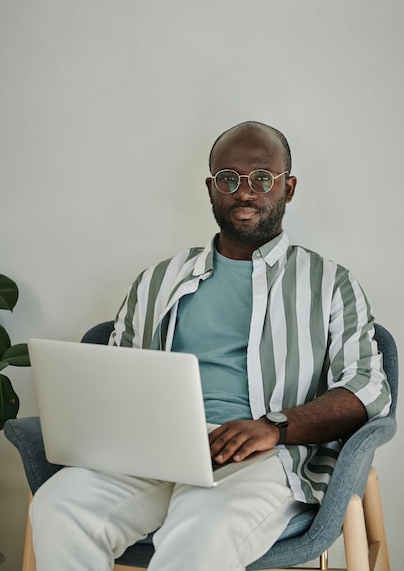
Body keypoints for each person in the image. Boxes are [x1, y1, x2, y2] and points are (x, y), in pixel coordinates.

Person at [30, 120, 391, 571]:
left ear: (289, 187)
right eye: (228, 179)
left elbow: (367, 388)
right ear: (211, 188)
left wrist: (274, 426)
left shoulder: (328, 283)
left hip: (267, 456)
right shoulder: (157, 281)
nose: (244, 192)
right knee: (59, 507)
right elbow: (116, 374)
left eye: (262, 178)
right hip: (156, 453)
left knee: (202, 525)